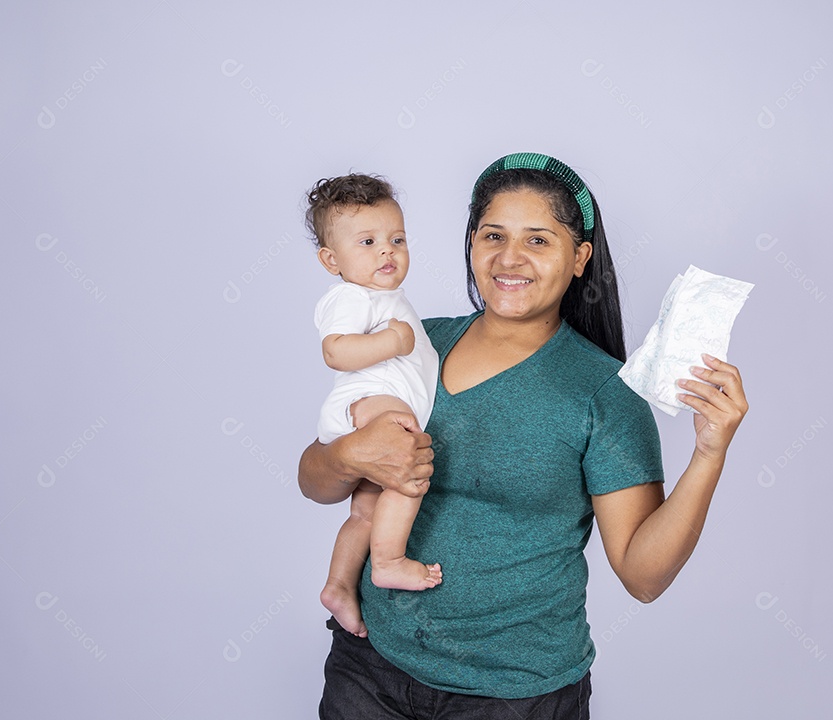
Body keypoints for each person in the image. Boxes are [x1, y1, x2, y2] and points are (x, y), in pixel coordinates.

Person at [299, 153, 749, 719]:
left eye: (538, 240)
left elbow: (642, 576)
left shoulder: (604, 395)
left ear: (580, 257)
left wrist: (709, 454)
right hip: (370, 668)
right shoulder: (411, 342)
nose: (509, 258)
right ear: (471, 244)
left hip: (515, 694)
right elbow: (315, 481)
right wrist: (346, 454)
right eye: (493, 235)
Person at [307, 174, 443, 640]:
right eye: (367, 242)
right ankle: (388, 561)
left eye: (396, 239)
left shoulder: (383, 294)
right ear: (331, 260)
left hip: (373, 404)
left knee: (365, 513)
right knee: (410, 464)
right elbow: (336, 352)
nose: (386, 251)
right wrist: (393, 340)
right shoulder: (351, 295)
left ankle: (339, 585)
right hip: (372, 404)